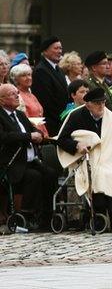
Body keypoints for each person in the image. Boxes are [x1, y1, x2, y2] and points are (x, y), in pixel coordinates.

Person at [56, 87, 112, 232]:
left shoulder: (109, 116)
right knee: (100, 175)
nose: (101, 106)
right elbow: (61, 139)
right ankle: (103, 215)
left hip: (108, 158)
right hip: (85, 158)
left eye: (103, 102)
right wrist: (77, 145)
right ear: (88, 104)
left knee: (110, 174)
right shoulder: (76, 116)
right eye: (97, 103)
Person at [0, 84, 56, 230]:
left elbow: (34, 130)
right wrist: (28, 136)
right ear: (1, 100)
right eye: (12, 94)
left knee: (50, 174)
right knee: (34, 176)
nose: (17, 96)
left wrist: (39, 135)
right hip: (13, 162)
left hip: (31, 160)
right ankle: (26, 215)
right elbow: (5, 136)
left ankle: (47, 215)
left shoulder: (20, 114)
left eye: (17, 93)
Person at [31, 36, 68, 136]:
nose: (60, 51)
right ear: (45, 51)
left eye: (60, 48)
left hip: (62, 121)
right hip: (51, 123)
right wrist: (62, 117)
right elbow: (46, 101)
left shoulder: (59, 70)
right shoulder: (41, 70)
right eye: (56, 48)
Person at [10, 64, 49, 138]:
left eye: (29, 75)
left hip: (43, 134)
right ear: (16, 79)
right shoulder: (17, 96)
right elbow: (23, 121)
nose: (28, 78)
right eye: (24, 76)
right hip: (32, 136)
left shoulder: (31, 94)